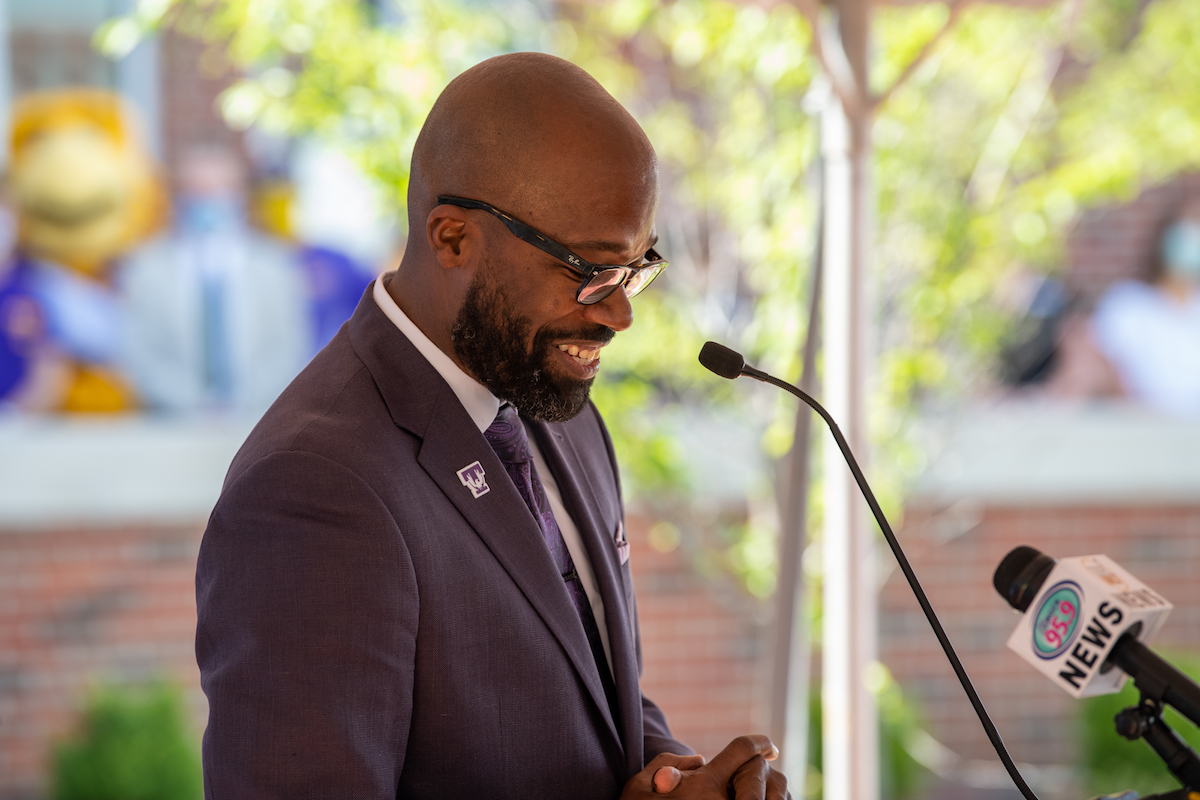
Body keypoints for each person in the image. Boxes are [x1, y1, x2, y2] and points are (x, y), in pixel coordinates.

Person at [196, 53, 789, 800]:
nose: (619, 313)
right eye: (591, 271)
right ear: (451, 239)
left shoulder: (547, 394)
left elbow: (590, 689)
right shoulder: (312, 488)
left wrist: (679, 779)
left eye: (637, 266)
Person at [120, 145, 312, 415]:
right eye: (198, 190)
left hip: (257, 424)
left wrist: (241, 404)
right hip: (173, 429)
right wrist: (197, 406)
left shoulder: (276, 267)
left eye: (222, 189)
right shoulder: (146, 269)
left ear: (241, 195)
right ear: (179, 195)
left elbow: (288, 351)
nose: (210, 200)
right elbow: (141, 356)